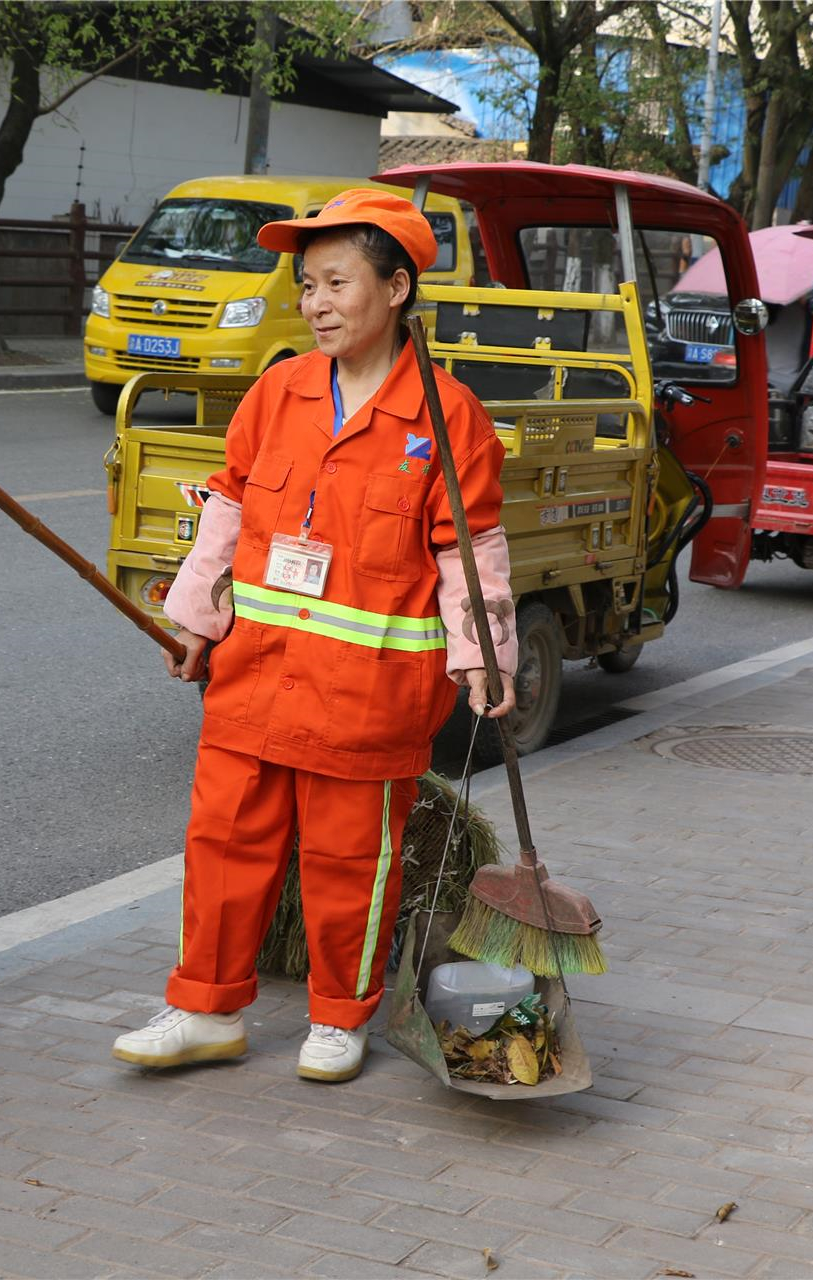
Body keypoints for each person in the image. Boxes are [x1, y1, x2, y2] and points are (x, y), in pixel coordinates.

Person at [111, 189, 518, 1083]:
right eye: (307, 285)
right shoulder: (279, 391)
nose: (318, 302)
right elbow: (227, 513)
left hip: (367, 691)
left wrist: (485, 658)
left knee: (349, 863)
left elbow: (470, 552)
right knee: (222, 845)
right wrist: (193, 623)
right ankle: (202, 1009)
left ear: (399, 287)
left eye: (338, 282)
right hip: (255, 676)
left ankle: (341, 1017)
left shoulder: (448, 421)